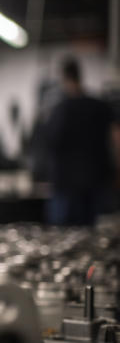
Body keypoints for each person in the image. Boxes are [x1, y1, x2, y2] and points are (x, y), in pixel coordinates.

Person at [45, 56, 118, 226]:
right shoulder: (100, 106)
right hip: (95, 182)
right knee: (90, 235)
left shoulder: (59, 111)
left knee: (62, 238)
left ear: (64, 78)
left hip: (65, 185)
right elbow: (116, 138)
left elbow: (50, 143)